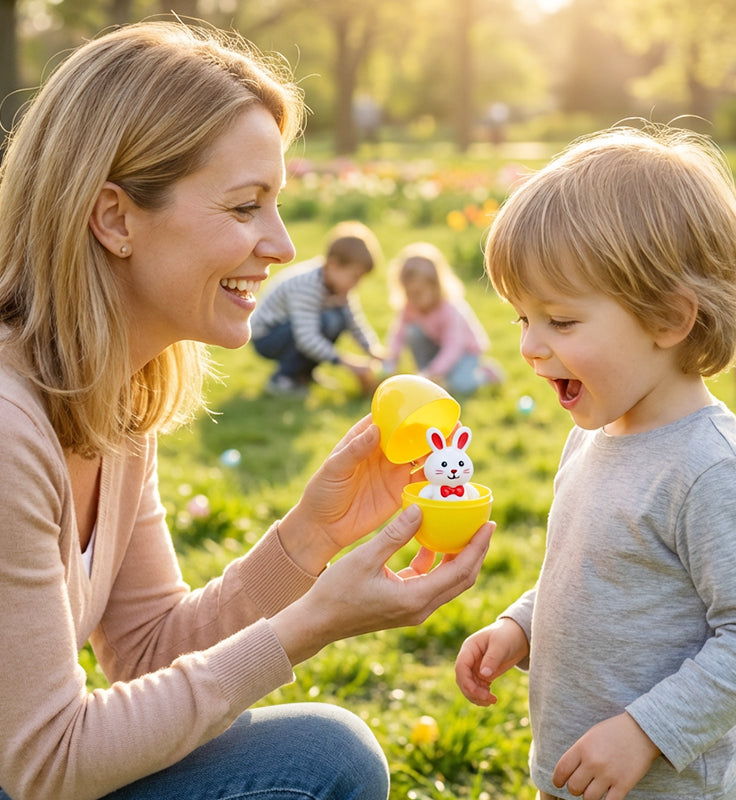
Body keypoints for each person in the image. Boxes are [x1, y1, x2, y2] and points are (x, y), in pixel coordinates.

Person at [0, 20, 494, 800]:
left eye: (277, 204)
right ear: (115, 219)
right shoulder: (9, 428)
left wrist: (311, 536)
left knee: (326, 757)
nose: (284, 245)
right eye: (244, 207)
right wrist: (309, 624)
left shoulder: (114, 399)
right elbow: (44, 762)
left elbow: (147, 648)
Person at [455, 125, 736, 800]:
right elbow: (594, 575)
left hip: (668, 787)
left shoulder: (709, 469)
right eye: (522, 318)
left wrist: (646, 731)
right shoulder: (594, 434)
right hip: (576, 770)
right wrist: (521, 626)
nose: (529, 347)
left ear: (668, 319)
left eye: (559, 321)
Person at [250, 220, 385, 396]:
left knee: (337, 319)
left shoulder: (340, 289)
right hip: (267, 336)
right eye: (355, 276)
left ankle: (305, 373)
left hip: (294, 329)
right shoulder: (307, 285)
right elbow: (306, 338)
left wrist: (373, 350)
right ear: (333, 265)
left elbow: (354, 322)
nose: (357, 284)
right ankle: (283, 379)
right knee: (328, 321)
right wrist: (347, 363)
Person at [383, 242, 503, 396]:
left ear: (435, 286)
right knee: (412, 332)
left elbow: (453, 346)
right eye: (408, 293)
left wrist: (434, 371)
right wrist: (390, 361)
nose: (413, 299)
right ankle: (426, 376)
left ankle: (485, 375)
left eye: (418, 293)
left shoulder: (449, 309)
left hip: (465, 352)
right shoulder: (410, 306)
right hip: (439, 348)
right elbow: (398, 335)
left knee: (459, 384)